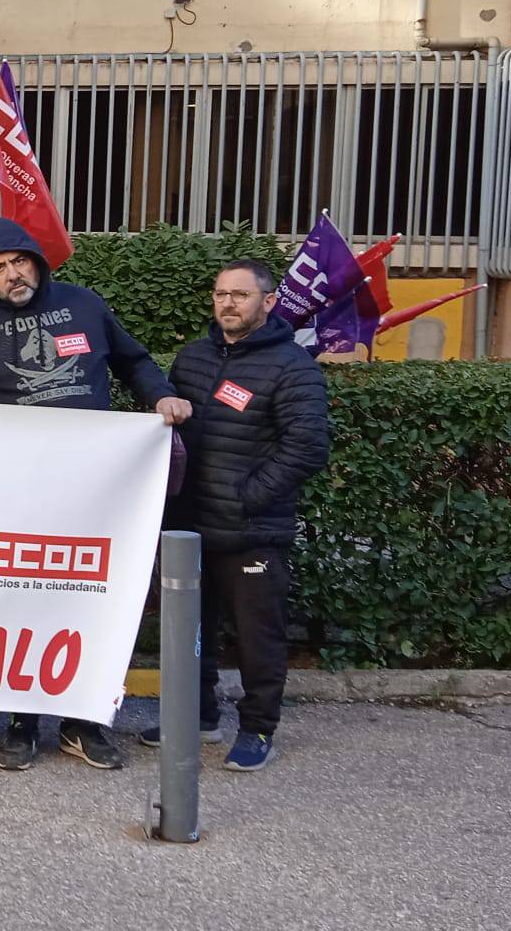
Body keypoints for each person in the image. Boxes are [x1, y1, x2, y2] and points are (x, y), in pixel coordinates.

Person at [0, 218, 192, 773]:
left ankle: (86, 723)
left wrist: (162, 397)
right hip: (14, 496)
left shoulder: (84, 305)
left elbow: (135, 362)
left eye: (19, 261)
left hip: (97, 492)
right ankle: (21, 721)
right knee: (19, 601)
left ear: (38, 260)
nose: (12, 274)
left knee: (93, 602)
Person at [146, 259, 329, 773]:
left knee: (257, 637)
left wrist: (248, 496)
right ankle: (198, 716)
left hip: (252, 532)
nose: (228, 303)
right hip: (190, 529)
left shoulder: (293, 367)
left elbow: (308, 447)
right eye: (221, 293)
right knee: (191, 631)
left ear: (268, 303)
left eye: (241, 295)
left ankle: (257, 727)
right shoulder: (194, 358)